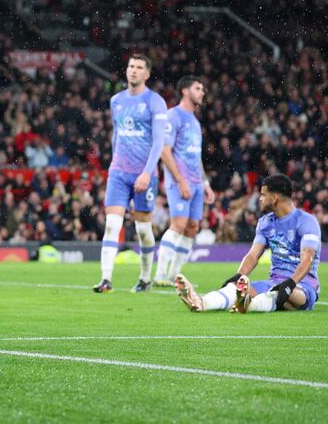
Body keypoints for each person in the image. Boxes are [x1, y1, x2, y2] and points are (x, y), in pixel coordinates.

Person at [176, 174, 321, 313]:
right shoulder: (265, 223)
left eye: (264, 195)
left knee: (286, 293)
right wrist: (239, 275)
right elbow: (253, 255)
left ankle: (250, 303)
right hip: (274, 283)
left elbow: (307, 258)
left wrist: (290, 283)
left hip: (303, 286)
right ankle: (202, 302)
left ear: (275, 197)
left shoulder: (306, 221)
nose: (260, 199)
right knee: (238, 288)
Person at [93, 54, 168, 293]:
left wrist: (147, 173)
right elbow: (116, 134)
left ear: (146, 74)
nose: (133, 71)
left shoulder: (155, 102)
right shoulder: (116, 100)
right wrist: (115, 160)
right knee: (112, 224)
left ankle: (145, 278)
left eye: (138, 68)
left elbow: (158, 142)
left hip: (144, 174)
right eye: (130, 66)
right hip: (118, 172)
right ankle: (106, 279)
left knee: (143, 230)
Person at [153, 76, 215, 286]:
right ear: (185, 91)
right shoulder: (173, 116)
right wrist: (181, 181)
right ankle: (160, 275)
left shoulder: (195, 123)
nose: (202, 92)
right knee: (178, 224)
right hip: (180, 182)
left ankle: (173, 275)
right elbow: (164, 151)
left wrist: (205, 183)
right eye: (198, 88)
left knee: (192, 227)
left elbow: (196, 157)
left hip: (196, 183)